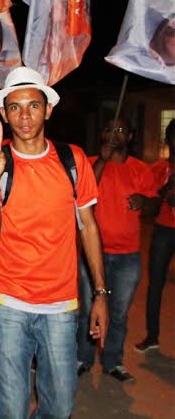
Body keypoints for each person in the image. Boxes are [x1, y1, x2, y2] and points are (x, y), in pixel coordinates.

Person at [0, 66, 108, 419]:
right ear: (4, 114)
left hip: (61, 306)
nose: (24, 116)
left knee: (60, 407)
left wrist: (100, 293)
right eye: (15, 107)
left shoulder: (73, 160)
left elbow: (88, 227)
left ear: (48, 109)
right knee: (11, 409)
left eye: (33, 105)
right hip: (7, 303)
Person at [77, 118, 157, 382]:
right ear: (102, 133)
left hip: (127, 255)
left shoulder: (140, 169)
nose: (114, 134)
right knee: (88, 310)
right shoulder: (90, 163)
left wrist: (143, 201)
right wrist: (103, 160)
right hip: (93, 254)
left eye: (121, 130)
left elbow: (154, 206)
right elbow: (83, 193)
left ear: (130, 137)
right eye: (109, 129)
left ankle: (113, 361)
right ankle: (83, 358)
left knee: (119, 313)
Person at [136, 119, 175, 353]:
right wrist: (166, 190)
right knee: (155, 284)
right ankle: (152, 335)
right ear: (168, 140)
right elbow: (147, 205)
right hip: (164, 230)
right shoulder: (159, 169)